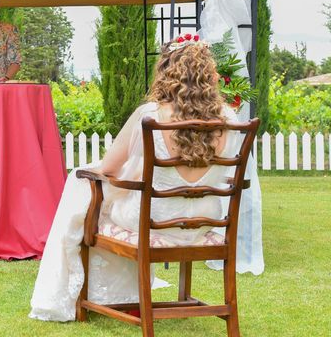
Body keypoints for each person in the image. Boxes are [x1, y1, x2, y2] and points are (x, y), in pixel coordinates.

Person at [29, 34, 241, 322]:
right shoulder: (230, 118)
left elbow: (109, 168)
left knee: (85, 185)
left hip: (152, 223)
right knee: (109, 196)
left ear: (168, 72)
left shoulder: (151, 115)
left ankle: (95, 295)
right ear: (209, 75)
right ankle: (121, 294)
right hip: (204, 225)